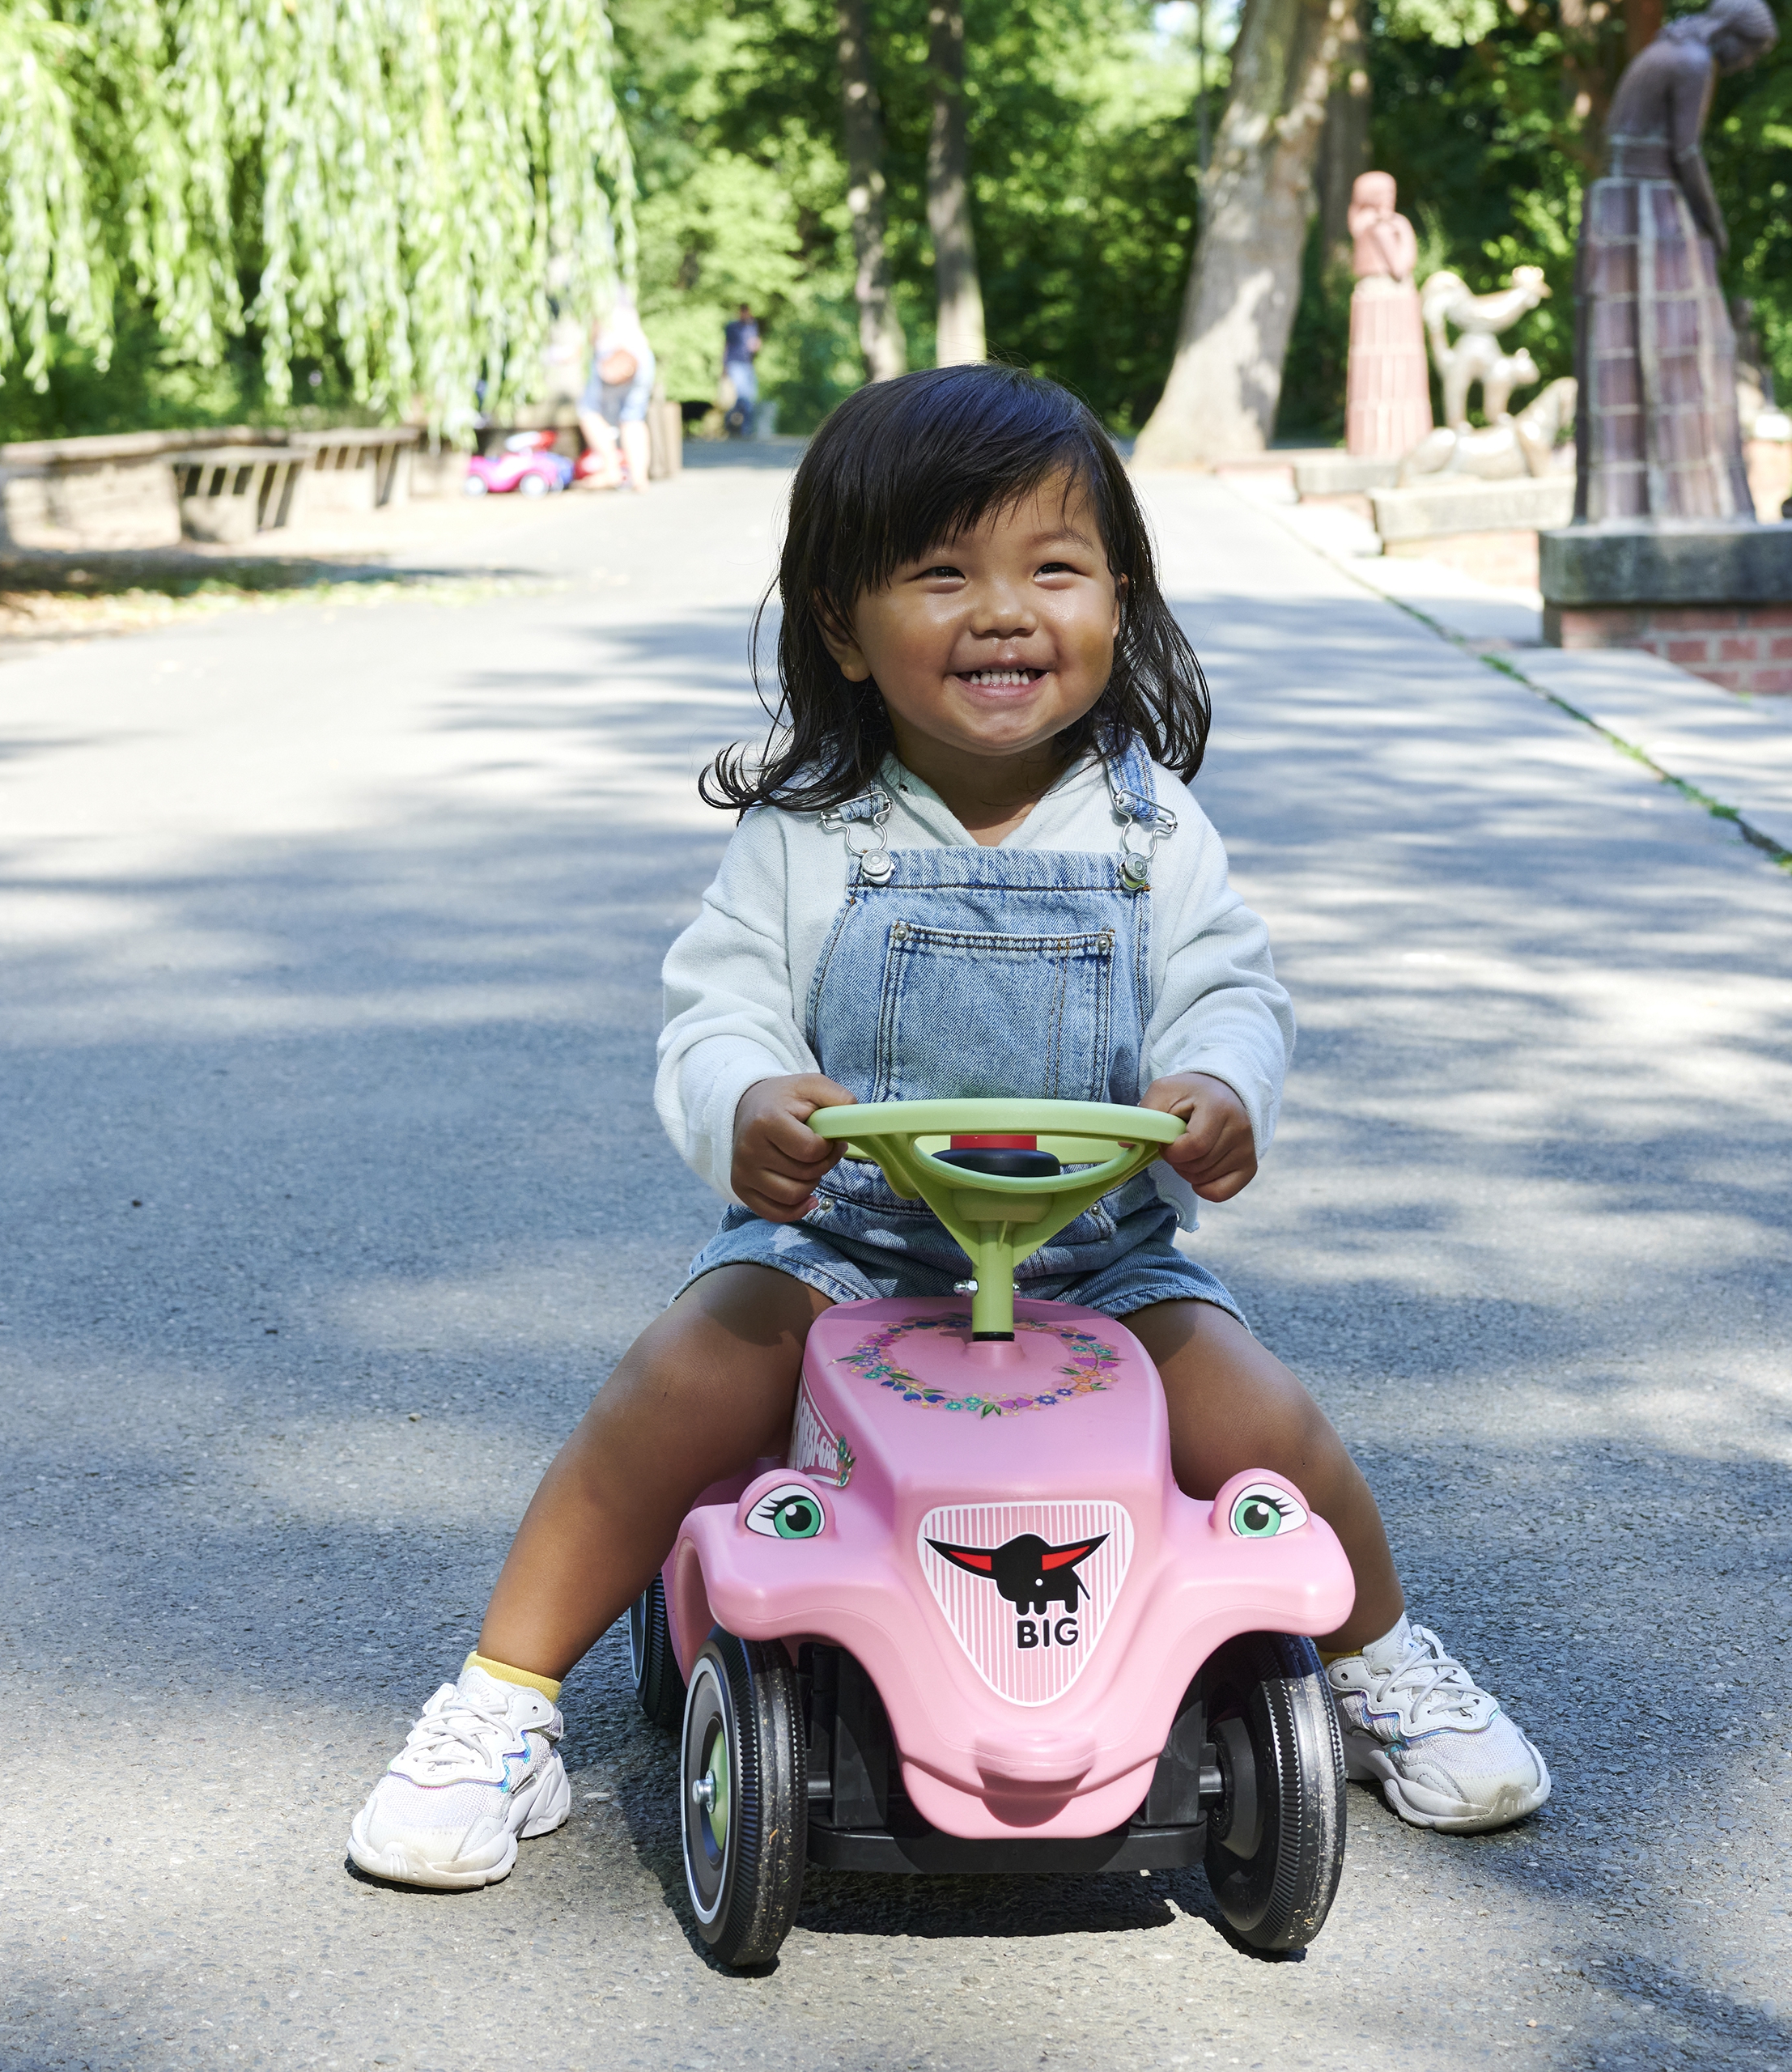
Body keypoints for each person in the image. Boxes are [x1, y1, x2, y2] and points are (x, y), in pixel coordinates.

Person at [346, 364, 1552, 1892]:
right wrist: (748, 1103)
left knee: (1268, 1423)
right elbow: (715, 1006)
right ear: (845, 626)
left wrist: (1221, 1085)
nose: (1003, 612)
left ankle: (1379, 1661)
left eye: (1053, 569)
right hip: (844, 1250)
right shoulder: (811, 833)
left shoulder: (1147, 827)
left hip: (1096, 1262)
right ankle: (501, 1704)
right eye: (941, 575)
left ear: (1121, 597)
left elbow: (1229, 982)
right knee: (673, 1383)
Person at [1573, 0, 1778, 520]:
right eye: (1751, 54)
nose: (1746, 65)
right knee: (1680, 344)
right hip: (1648, 201)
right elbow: (1686, 150)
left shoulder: (1669, 49)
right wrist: (1712, 220)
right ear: (1733, 36)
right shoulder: (1693, 62)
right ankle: (1692, 502)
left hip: (1623, 198)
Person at [1345, 171, 1433, 459]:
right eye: (1384, 193)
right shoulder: (1380, 227)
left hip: (1384, 296)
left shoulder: (1377, 224)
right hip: (1385, 299)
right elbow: (1400, 265)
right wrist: (1403, 231)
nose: (1390, 198)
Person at [577, 304, 656, 494]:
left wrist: (583, 348)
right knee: (633, 417)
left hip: (611, 353)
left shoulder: (594, 284)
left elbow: (595, 323)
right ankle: (639, 478)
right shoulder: (622, 284)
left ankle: (611, 469)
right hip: (640, 352)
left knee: (588, 411)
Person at [722, 303, 761, 436]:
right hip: (735, 363)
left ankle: (741, 427)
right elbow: (727, 346)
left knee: (750, 397)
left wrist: (756, 346)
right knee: (743, 397)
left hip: (748, 364)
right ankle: (742, 428)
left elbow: (754, 346)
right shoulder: (732, 327)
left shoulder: (752, 327)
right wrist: (724, 366)